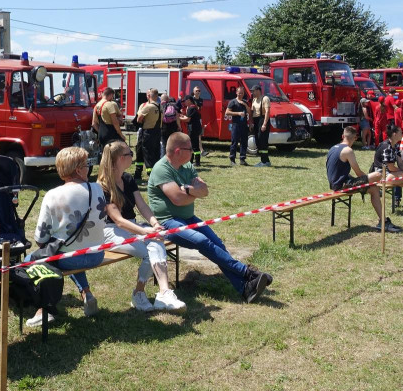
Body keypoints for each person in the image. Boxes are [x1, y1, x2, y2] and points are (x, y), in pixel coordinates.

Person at [148, 132, 272, 303]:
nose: (193, 151)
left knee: (218, 243)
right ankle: (247, 273)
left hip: (189, 218)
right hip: (168, 223)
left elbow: (204, 191)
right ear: (178, 151)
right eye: (190, 149)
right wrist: (192, 192)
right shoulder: (161, 169)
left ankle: (245, 288)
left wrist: (187, 190)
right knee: (202, 241)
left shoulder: (187, 167)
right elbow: (177, 199)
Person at [97, 140, 185, 312]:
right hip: (110, 231)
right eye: (129, 154)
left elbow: (142, 206)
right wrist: (146, 231)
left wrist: (154, 224)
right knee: (148, 251)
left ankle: (163, 293)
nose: (132, 156)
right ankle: (140, 293)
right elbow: (119, 221)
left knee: (156, 243)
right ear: (119, 159)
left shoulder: (128, 179)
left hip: (132, 226)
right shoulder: (103, 186)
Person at [27, 147, 106, 326]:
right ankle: (86, 292)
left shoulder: (52, 195)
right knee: (72, 250)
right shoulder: (97, 188)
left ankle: (43, 309)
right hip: (97, 254)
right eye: (86, 165)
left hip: (70, 259)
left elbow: (40, 239)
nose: (89, 168)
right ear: (78, 169)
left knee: (30, 259)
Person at [326, 126, 397, 232]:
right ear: (355, 138)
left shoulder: (333, 147)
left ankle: (383, 221)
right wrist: (369, 179)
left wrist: (368, 182)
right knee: (378, 174)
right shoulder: (348, 150)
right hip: (342, 186)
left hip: (336, 183)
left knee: (374, 189)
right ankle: (383, 214)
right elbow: (359, 173)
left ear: (342, 136)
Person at [133, 89, 162, 181]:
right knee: (153, 153)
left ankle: (151, 176)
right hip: (157, 132)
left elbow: (138, 119)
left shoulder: (147, 107)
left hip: (147, 132)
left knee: (147, 154)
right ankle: (139, 173)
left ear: (149, 96)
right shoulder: (160, 106)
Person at [225, 85, 250, 166]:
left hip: (244, 125)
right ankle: (232, 159)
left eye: (242, 93)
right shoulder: (232, 102)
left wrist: (245, 105)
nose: (240, 95)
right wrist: (238, 113)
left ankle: (242, 159)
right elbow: (227, 112)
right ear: (236, 92)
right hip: (236, 125)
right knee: (234, 142)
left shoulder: (245, 102)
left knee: (244, 142)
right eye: (239, 93)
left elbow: (250, 112)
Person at [250, 84, 271, 167]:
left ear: (258, 90)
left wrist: (264, 124)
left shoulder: (265, 98)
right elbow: (252, 112)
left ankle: (265, 161)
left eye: (253, 91)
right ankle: (264, 160)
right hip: (256, 121)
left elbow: (267, 112)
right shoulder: (254, 100)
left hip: (262, 120)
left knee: (263, 141)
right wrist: (251, 123)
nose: (252, 93)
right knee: (258, 141)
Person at [182, 88, 204, 167]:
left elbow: (187, 119)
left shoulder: (191, 108)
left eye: (185, 100)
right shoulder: (194, 107)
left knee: (192, 145)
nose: (184, 102)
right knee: (195, 145)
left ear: (189, 100)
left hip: (193, 129)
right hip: (196, 128)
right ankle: (196, 161)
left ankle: (193, 162)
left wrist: (178, 118)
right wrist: (183, 116)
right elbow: (189, 117)